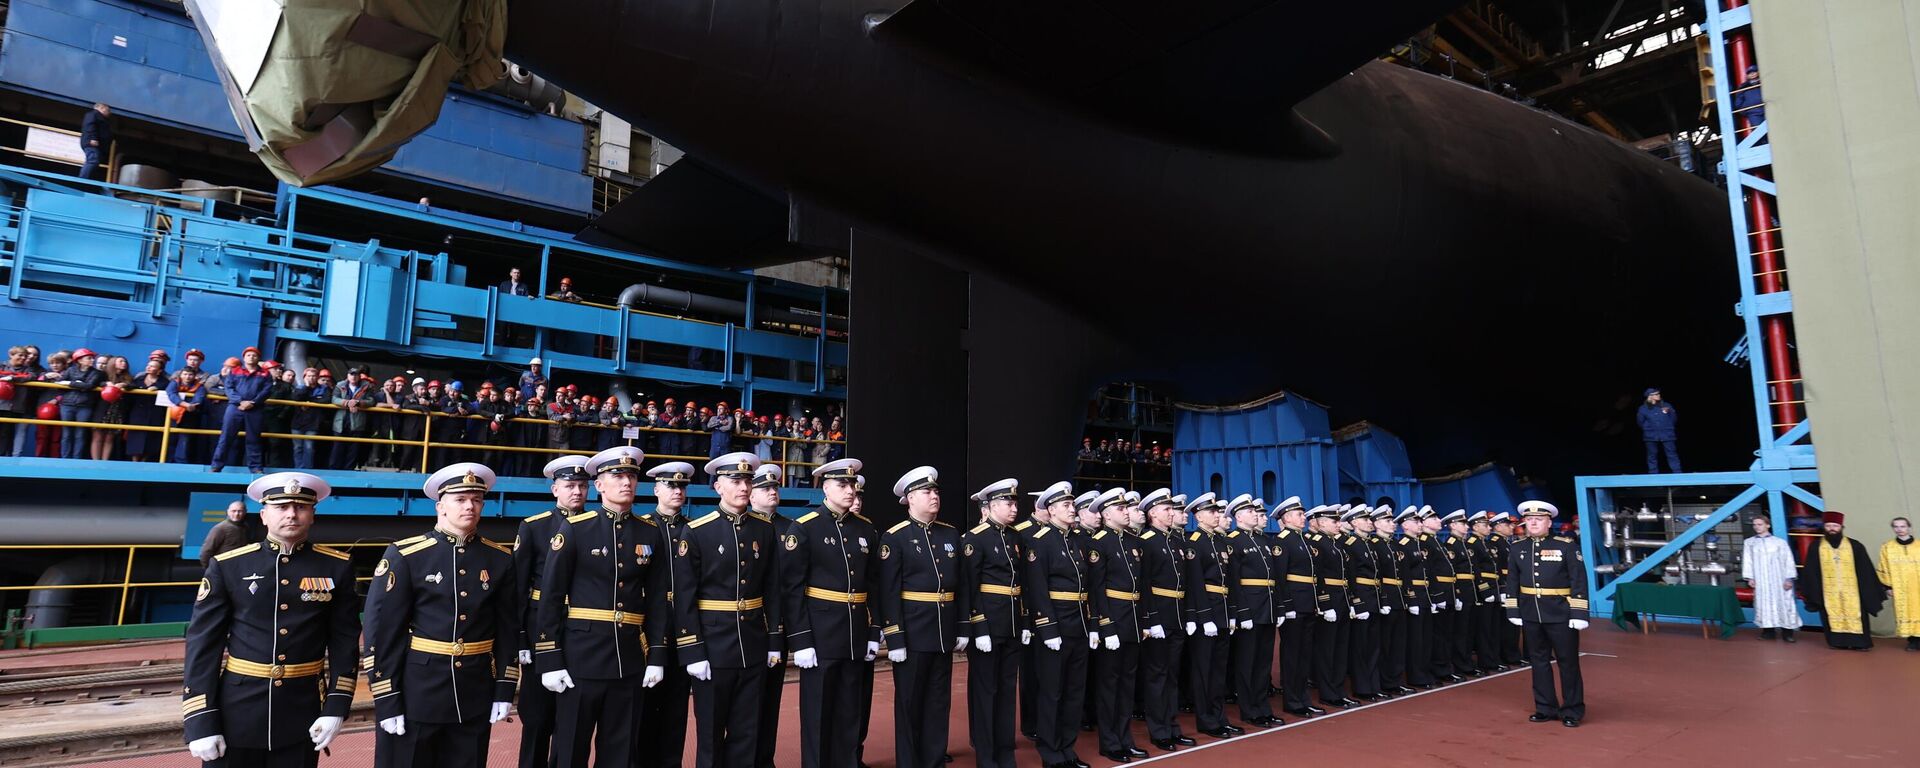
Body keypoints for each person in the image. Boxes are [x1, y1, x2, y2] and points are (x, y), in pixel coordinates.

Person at [182, 472, 358, 767]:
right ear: (263, 515)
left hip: (302, 712)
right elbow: (203, 646)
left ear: (312, 515)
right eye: (281, 507)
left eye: (301, 507)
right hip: (236, 712)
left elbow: (345, 641)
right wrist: (200, 720)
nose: (291, 514)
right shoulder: (229, 566)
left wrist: (336, 706)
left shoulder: (337, 566)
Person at [364, 463, 520, 768]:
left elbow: (507, 628)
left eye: (476, 500)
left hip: (474, 693)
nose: (470, 506)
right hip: (417, 693)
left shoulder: (499, 557)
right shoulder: (406, 555)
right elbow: (382, 632)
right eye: (460, 499)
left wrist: (503, 686)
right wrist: (387, 697)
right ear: (441, 506)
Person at [535, 447, 670, 768]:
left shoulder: (651, 532)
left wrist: (658, 655)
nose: (626, 482)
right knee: (570, 749)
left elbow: (656, 598)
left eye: (631, 476)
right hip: (581, 658)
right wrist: (550, 658)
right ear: (599, 485)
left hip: (629, 659)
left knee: (621, 752)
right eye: (617, 476)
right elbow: (551, 597)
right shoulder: (575, 529)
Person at [674, 452, 784, 768]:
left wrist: (774, 638)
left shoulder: (763, 529)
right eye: (735, 481)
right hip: (712, 646)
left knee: (747, 733)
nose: (743, 487)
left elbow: (772, 589)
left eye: (747, 480)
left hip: (752, 644)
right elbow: (685, 597)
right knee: (709, 734)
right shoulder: (697, 531)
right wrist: (692, 650)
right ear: (718, 486)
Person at [778, 458, 878, 768]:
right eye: (842, 485)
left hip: (855, 634)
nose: (850, 491)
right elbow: (792, 589)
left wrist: (874, 632)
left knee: (851, 712)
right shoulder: (805, 527)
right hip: (820, 635)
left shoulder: (866, 528)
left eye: (853, 485)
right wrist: (801, 639)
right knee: (819, 713)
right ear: (825, 487)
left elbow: (874, 584)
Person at [875, 466, 961, 768]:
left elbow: (960, 587)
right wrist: (894, 636)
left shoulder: (950, 533)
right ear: (910, 498)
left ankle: (934, 760)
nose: (934, 496)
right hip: (912, 633)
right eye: (927, 492)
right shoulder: (895, 537)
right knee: (910, 704)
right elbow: (888, 591)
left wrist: (960, 626)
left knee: (939, 703)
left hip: (942, 632)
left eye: (936, 491)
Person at [511, 455, 590, 768]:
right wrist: (519, 637)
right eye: (570, 485)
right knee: (537, 715)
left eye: (582, 486)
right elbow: (517, 587)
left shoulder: (596, 526)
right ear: (555, 489)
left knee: (570, 718)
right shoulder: (535, 526)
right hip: (537, 628)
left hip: (580, 628)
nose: (577, 492)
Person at [1026, 477, 1094, 768]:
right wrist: (1047, 627)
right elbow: (1037, 589)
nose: (1072, 509)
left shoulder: (1078, 540)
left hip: (1079, 624)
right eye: (1066, 505)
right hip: (1056, 626)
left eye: (1073, 504)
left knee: (1073, 692)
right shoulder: (1039, 542)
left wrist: (1092, 625)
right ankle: (1050, 752)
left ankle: (1067, 748)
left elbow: (1088, 586)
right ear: (1050, 510)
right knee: (1052, 692)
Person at [1504, 500, 1589, 727]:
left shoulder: (1566, 545)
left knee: (1568, 663)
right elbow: (1511, 580)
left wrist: (1579, 613)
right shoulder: (1517, 547)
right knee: (1538, 661)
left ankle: (1572, 710)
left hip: (1561, 613)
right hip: (1531, 613)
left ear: (1549, 522)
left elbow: (1578, 580)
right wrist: (1513, 608)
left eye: (1538, 519)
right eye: (1529, 519)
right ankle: (1545, 707)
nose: (1532, 522)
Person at [961, 478, 1027, 768]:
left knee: (1005, 693)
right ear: (989, 507)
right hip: (988, 624)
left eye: (1014, 503)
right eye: (1007, 503)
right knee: (985, 693)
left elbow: (1020, 584)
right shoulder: (975, 539)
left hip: (1011, 624)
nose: (1013, 508)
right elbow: (969, 587)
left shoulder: (1015, 538)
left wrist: (1024, 622)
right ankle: (986, 757)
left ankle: (1005, 753)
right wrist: (978, 625)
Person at [636, 460, 698, 768]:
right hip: (647, 629)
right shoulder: (643, 526)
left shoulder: (694, 529)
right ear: (656, 489)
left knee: (676, 707)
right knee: (644, 708)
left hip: (684, 627)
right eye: (671, 486)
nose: (677, 491)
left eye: (682, 486)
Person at [1087, 488, 1152, 761]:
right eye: (1121, 508)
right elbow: (1096, 588)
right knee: (1110, 685)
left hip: (1134, 620)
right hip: (1113, 619)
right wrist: (1106, 625)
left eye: (1127, 507)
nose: (1127, 511)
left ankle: (1125, 737)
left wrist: (1146, 621)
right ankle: (1110, 741)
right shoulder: (1099, 543)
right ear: (1106, 514)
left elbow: (1142, 586)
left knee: (1127, 684)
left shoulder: (1133, 542)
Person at [745, 463, 794, 768]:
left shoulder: (791, 529)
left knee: (770, 699)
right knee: (742, 705)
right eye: (765, 488)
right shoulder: (741, 526)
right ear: (751, 494)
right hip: (746, 624)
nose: (772, 492)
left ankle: (765, 759)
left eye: (775, 487)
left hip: (778, 625)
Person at [1223, 495, 1285, 730]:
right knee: (1247, 662)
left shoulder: (1263, 540)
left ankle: (1263, 706)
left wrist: (1278, 606)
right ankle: (1249, 709)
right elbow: (1235, 582)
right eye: (1249, 512)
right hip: (1249, 608)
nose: (1254, 514)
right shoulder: (1234, 541)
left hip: (1267, 607)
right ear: (1238, 516)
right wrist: (1242, 612)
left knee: (1263, 661)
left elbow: (1275, 578)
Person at [1181, 494, 1239, 736]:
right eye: (1212, 512)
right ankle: (1206, 719)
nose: (1218, 515)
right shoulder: (1195, 542)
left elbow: (1230, 581)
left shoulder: (1220, 541)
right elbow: (1195, 583)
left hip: (1223, 609)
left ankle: (1219, 716)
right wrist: (1203, 616)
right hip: (1209, 611)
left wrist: (1232, 613)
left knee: (1218, 670)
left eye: (1217, 511)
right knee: (1204, 670)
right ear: (1198, 516)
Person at [1798, 511, 1886, 651]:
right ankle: (1838, 642)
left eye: (1835, 526)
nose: (1832, 528)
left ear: (1841, 527)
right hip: (1829, 593)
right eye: (1828, 526)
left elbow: (1866, 572)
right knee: (1831, 616)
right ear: (1824, 527)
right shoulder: (1816, 547)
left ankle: (1860, 643)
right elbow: (1811, 572)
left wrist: (1868, 592)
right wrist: (1814, 592)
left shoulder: (1855, 546)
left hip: (1853, 592)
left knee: (1857, 615)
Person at [1367, 505, 1413, 696]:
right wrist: (1384, 599)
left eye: (1392, 520)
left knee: (1398, 643)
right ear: (1376, 523)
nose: (1392, 524)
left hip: (1399, 597)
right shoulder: (1374, 544)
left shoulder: (1395, 546)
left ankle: (1394, 680)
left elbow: (1405, 573)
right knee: (1383, 644)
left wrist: (1409, 596)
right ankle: (1384, 681)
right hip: (1386, 597)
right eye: (1387, 521)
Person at [1393, 507, 1436, 690]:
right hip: (1415, 595)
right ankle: (1416, 675)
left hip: (1425, 594)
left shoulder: (1419, 543)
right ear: (1405, 525)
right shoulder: (1403, 544)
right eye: (1416, 522)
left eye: (1420, 521)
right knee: (1416, 639)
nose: (1420, 525)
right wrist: (1410, 598)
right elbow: (1405, 575)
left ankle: (1424, 671)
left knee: (1426, 637)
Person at [211, 347, 272, 474]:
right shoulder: (235, 371)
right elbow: (229, 388)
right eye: (248, 355)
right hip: (235, 408)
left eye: (254, 355)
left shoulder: (265, 374)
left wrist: (253, 402)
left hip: (255, 409)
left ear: (258, 358)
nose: (251, 357)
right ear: (244, 358)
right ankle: (216, 466)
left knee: (253, 439)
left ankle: (255, 468)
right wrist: (240, 401)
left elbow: (266, 391)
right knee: (226, 437)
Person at [1742, 513, 1802, 642]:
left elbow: (1788, 560)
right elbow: (1748, 561)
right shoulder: (1749, 543)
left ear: (1767, 525)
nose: (1757, 527)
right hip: (1761, 579)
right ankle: (1768, 631)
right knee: (1763, 603)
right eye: (1755, 525)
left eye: (1760, 524)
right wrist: (1750, 577)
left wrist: (1789, 578)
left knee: (1784, 603)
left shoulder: (1779, 542)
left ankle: (1788, 632)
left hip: (1778, 578)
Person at [54, 347, 104, 459]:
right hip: (67, 404)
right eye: (89, 358)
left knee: (80, 434)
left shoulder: (97, 373)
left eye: (92, 358)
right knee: (66, 434)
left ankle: (76, 459)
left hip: (85, 406)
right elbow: (58, 384)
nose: (92, 360)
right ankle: (65, 458)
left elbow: (88, 386)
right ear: (79, 360)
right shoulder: (70, 370)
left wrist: (70, 383)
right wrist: (78, 384)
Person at [1879, 517, 1920, 651]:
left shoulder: (1919, 546)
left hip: (1917, 586)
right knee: (1906, 612)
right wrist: (1888, 587)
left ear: (1908, 527)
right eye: (1896, 527)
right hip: (1900, 587)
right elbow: (1883, 567)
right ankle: (1913, 641)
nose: (1899, 529)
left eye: (1902, 526)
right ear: (1893, 528)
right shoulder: (1887, 547)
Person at [330, 367, 375, 470]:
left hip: (357, 422)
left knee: (353, 450)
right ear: (347, 375)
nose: (353, 376)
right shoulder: (340, 385)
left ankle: (349, 470)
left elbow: (372, 401)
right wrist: (347, 402)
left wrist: (358, 403)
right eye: (351, 374)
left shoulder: (366, 387)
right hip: (341, 422)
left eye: (356, 374)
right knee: (337, 448)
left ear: (359, 376)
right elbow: (334, 399)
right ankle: (334, 470)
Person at [198, 499, 255, 569]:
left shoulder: (245, 527)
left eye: (240, 511)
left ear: (245, 512)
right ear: (228, 512)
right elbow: (206, 551)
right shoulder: (220, 528)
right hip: (223, 568)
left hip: (238, 568)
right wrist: (209, 569)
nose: (236, 514)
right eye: (233, 511)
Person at [1637, 388, 1681, 473]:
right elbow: (1640, 422)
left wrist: (1667, 426)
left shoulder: (1667, 405)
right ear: (1650, 396)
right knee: (1652, 456)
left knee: (1672, 455)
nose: (1658, 395)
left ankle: (1677, 474)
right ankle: (1653, 476)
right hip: (1651, 435)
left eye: (1658, 394)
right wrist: (1648, 429)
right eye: (1656, 394)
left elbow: (1673, 418)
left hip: (1667, 433)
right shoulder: (1643, 408)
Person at [79, 102, 111, 180]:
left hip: (95, 144)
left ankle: (86, 179)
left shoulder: (96, 116)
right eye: (108, 110)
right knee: (92, 161)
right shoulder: (93, 114)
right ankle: (82, 180)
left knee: (94, 161)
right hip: (92, 142)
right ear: (102, 108)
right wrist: (93, 138)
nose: (109, 113)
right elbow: (90, 126)